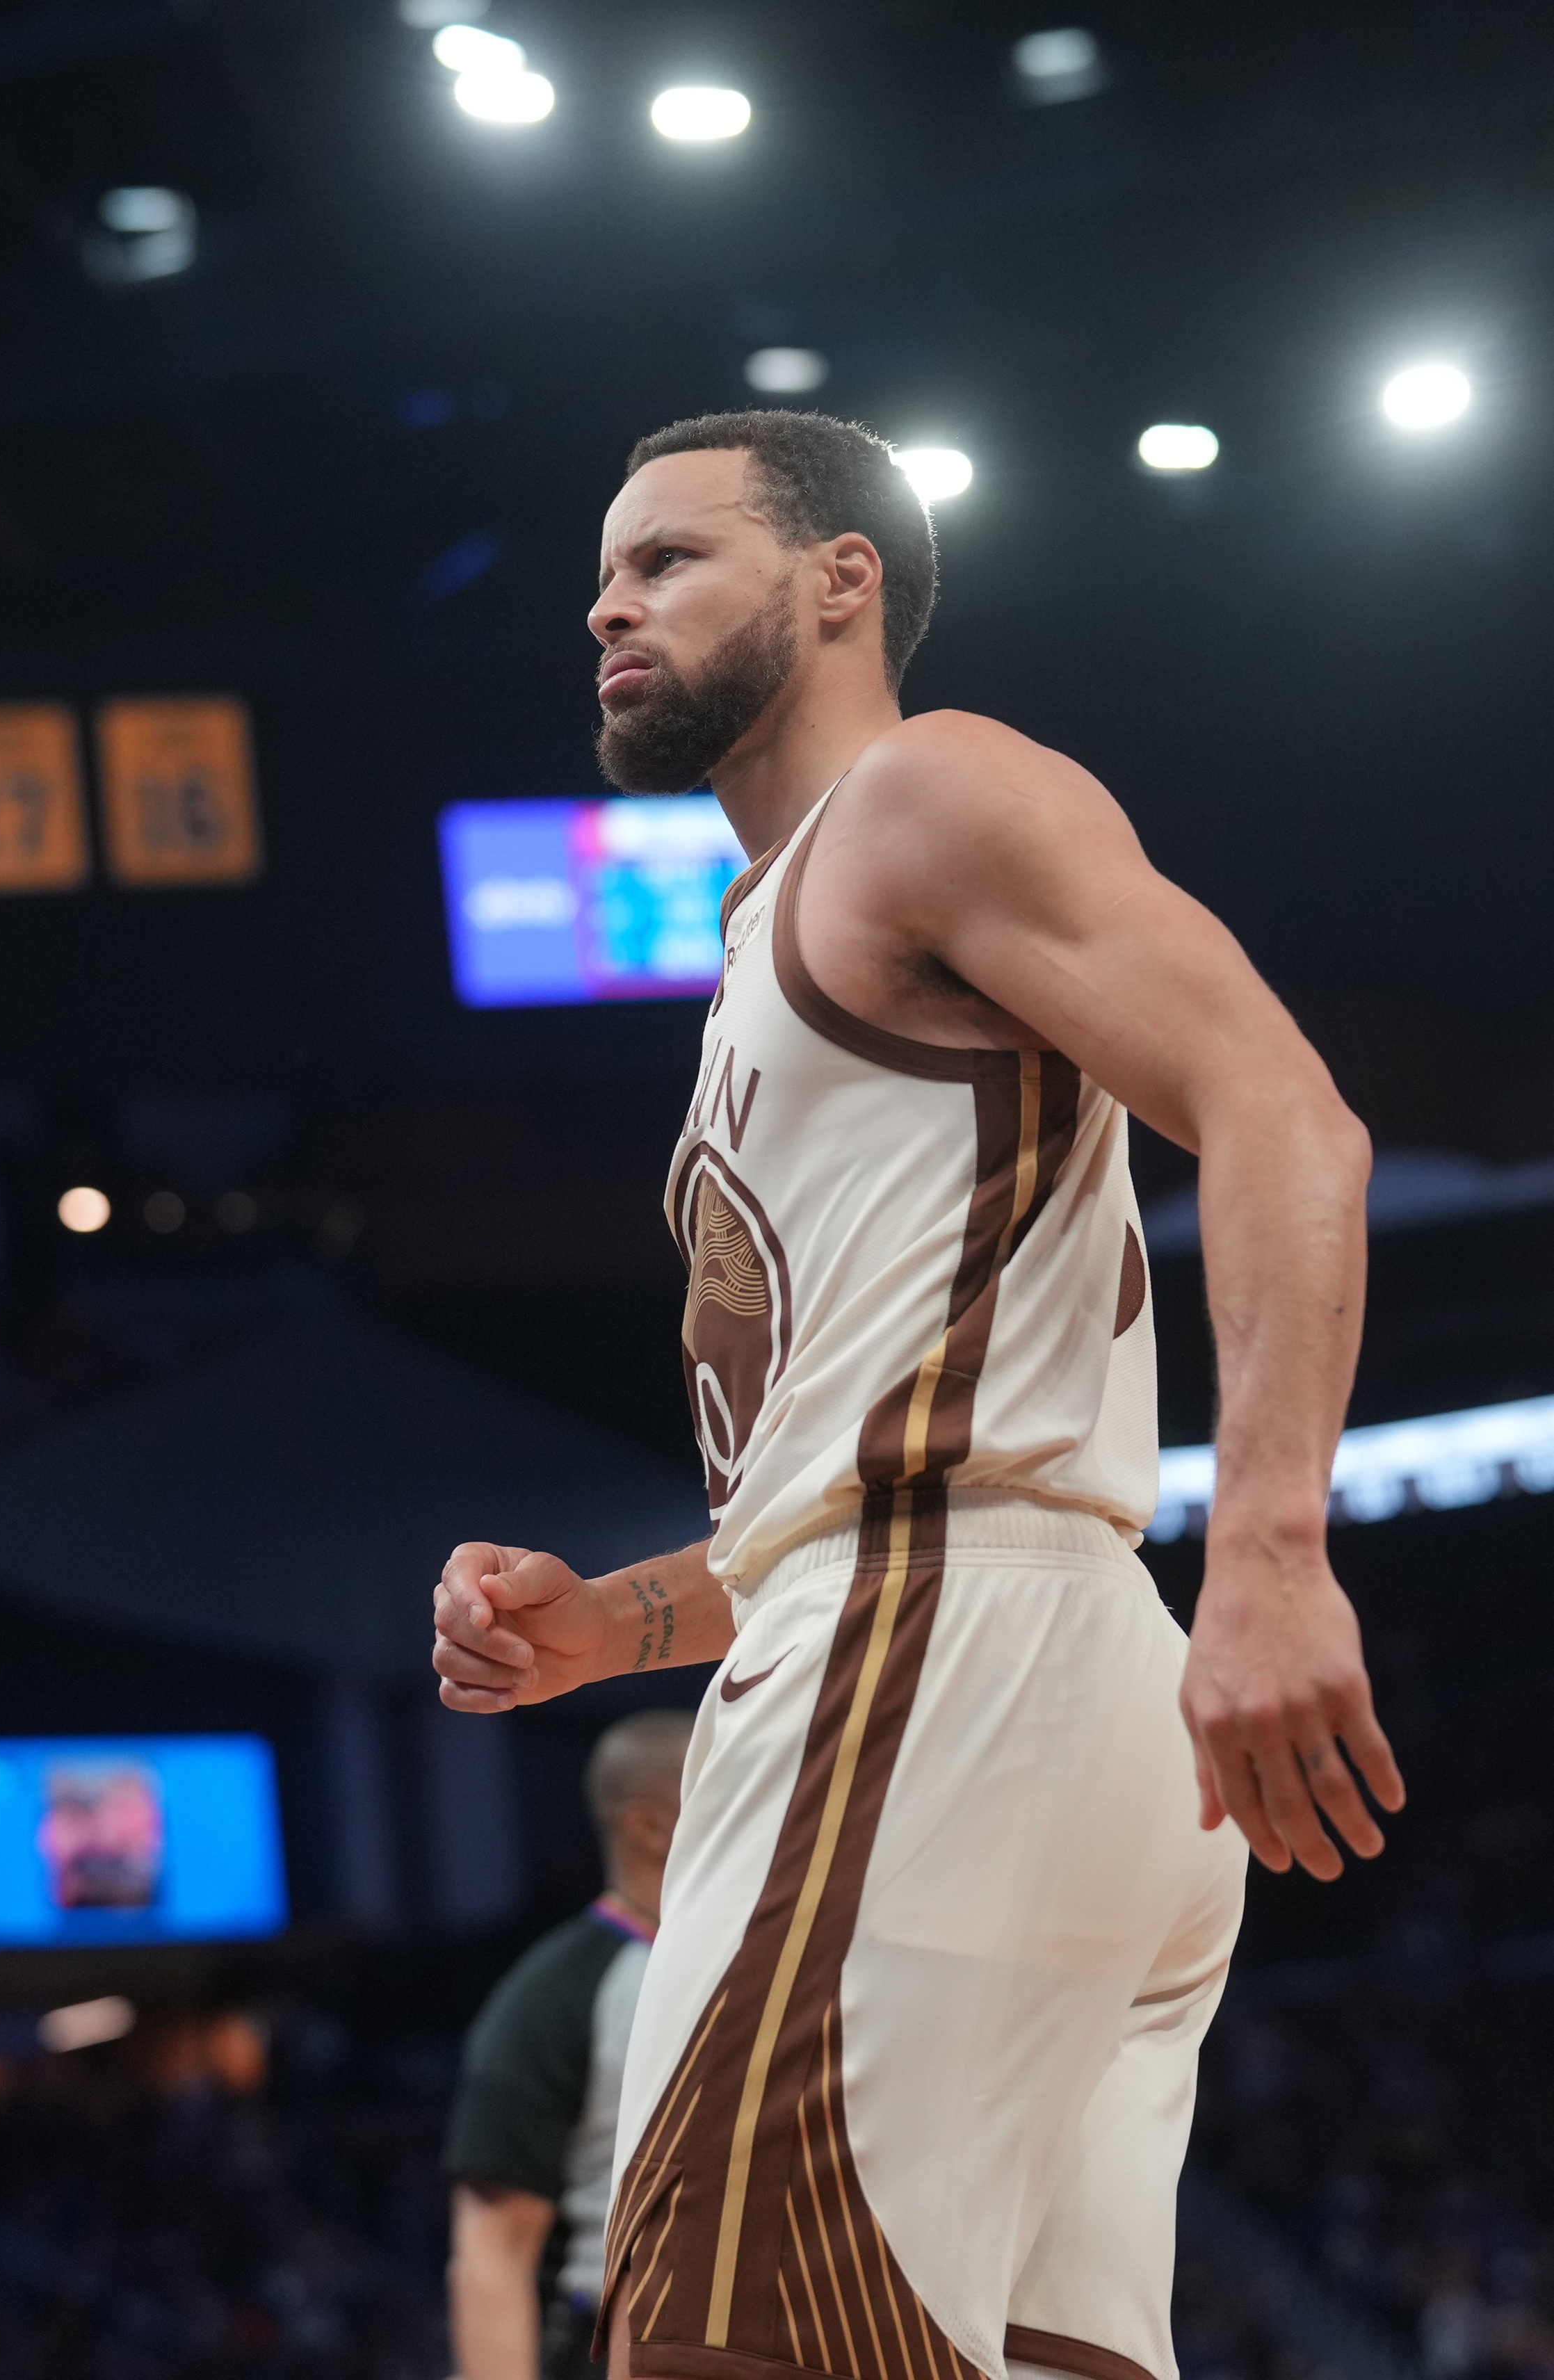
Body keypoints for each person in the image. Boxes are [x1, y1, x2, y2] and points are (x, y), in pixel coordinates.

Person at [431, 408, 1406, 2380]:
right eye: (602, 575)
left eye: (667, 559)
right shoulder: (767, 934)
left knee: (715, 2346)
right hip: (1022, 1676)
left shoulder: (924, 793)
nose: (607, 605)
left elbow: (1285, 1111)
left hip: (939, 1665)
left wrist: (1274, 1546)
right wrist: (611, 1624)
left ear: (840, 580)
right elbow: (872, 1448)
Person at [444, 1710, 693, 2380]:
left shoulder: (773, 1962)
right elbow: (492, 2252)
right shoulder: (554, 1995)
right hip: (604, 2344)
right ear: (650, 1825)